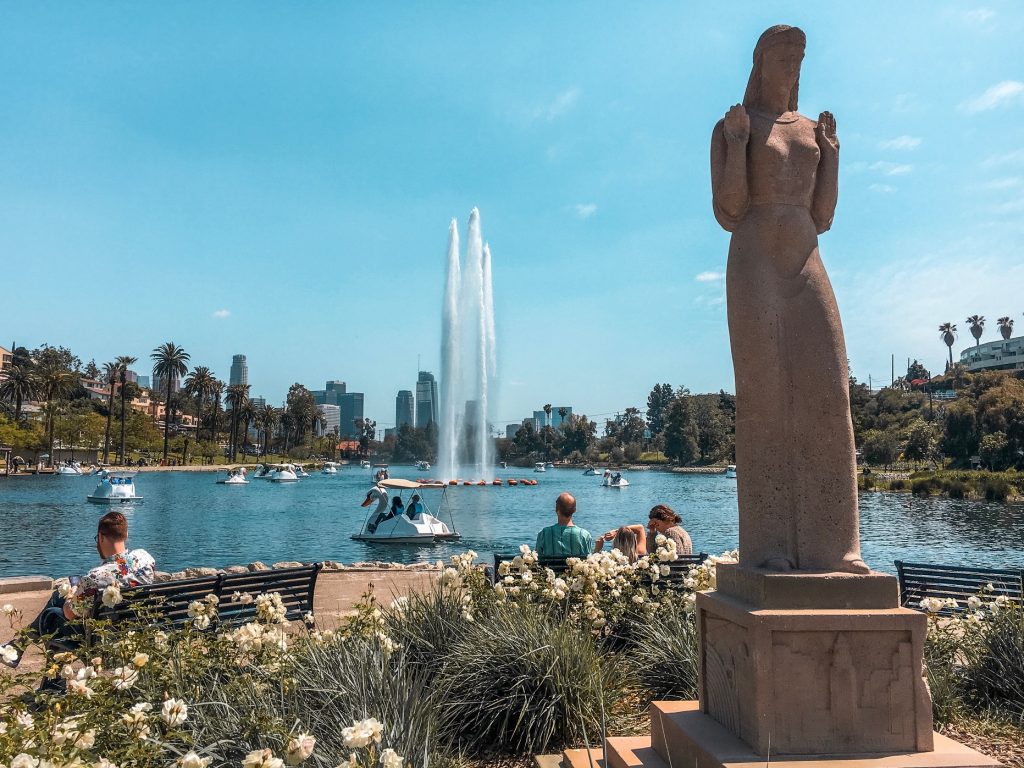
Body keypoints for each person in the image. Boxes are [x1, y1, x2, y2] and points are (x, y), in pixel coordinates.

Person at [710, 25, 867, 573]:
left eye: (798, 59)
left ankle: (840, 548)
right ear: (760, 64)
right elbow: (729, 210)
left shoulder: (810, 130)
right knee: (766, 401)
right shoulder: (734, 125)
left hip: (806, 260)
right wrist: (734, 146)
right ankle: (769, 546)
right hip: (754, 262)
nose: (792, 69)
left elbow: (823, 215)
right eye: (782, 59)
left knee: (830, 393)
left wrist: (834, 157)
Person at [1, 511, 156, 673]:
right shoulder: (145, 559)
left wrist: (73, 591)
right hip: (136, 631)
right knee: (56, 598)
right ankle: (18, 647)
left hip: (102, 639)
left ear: (101, 538)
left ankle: (50, 680)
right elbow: (123, 572)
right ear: (126, 534)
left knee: (52, 615)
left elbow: (69, 614)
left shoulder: (96, 577)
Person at [535, 492, 593, 557]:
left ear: (556, 509)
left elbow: (537, 558)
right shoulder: (584, 535)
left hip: (550, 567)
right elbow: (588, 561)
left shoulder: (544, 533)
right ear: (574, 510)